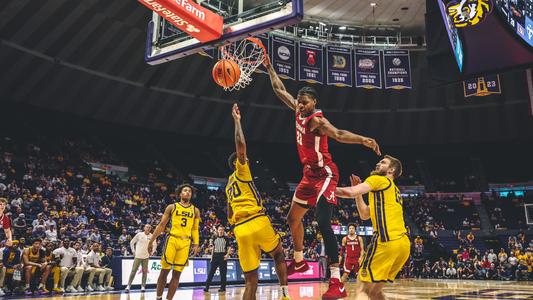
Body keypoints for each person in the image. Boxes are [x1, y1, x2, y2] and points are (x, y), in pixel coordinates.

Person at [264, 56, 380, 298]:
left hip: (326, 173)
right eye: (299, 102)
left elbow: (338, 133)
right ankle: (299, 260)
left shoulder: (317, 121)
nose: (300, 105)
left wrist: (362, 139)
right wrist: (269, 67)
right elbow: (279, 89)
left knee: (323, 221)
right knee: (292, 219)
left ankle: (336, 282)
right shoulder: (296, 110)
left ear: (314, 103)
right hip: (308, 175)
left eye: (305, 102)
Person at [226, 104, 290, 300]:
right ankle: (285, 294)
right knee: (278, 255)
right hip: (257, 221)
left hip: (240, 230)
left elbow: (229, 213)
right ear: (237, 163)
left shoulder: (228, 186)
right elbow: (241, 146)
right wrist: (237, 122)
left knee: (250, 281)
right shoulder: (242, 171)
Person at [336, 155, 410, 300]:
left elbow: (349, 192)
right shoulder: (391, 190)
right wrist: (359, 195)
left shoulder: (379, 180)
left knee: (362, 289)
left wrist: (324, 188)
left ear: (391, 170)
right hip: (402, 245)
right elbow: (364, 214)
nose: (378, 163)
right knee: (374, 292)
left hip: (386, 241)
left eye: (383, 162)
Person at [148, 184, 201, 300]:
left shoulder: (195, 211)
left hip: (185, 243)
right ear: (180, 194)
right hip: (172, 239)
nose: (187, 192)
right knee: (164, 271)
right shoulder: (172, 207)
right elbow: (162, 225)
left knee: (177, 275)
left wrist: (196, 244)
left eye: (189, 191)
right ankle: (158, 297)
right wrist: (151, 241)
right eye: (185, 190)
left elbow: (195, 229)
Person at [125, 224, 156, 292]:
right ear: (144, 228)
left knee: (145, 272)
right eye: (147, 227)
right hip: (138, 256)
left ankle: (143, 286)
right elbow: (132, 242)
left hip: (146, 257)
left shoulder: (152, 236)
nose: (148, 228)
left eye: (150, 228)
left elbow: (155, 245)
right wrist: (133, 251)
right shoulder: (139, 234)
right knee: (133, 271)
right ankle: (128, 286)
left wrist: (152, 252)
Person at [204, 225, 232, 293]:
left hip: (223, 256)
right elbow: (213, 248)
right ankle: (206, 287)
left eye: (222, 230)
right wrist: (211, 257)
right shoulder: (214, 237)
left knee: (223, 273)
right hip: (215, 256)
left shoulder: (226, 238)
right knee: (211, 272)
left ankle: (223, 287)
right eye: (220, 229)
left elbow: (229, 247)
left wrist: (227, 255)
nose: (221, 231)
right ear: (218, 230)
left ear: (223, 231)